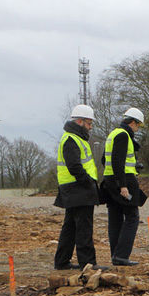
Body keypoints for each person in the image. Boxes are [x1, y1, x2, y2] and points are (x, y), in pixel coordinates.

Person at [54, 104, 100, 270]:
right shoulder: (71, 139)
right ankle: (88, 263)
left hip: (73, 189)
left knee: (70, 228)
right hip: (78, 189)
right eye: (89, 123)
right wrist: (87, 182)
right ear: (80, 121)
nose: (90, 127)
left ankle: (62, 261)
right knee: (83, 228)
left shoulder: (74, 138)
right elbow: (74, 166)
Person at [101, 107, 147, 266]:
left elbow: (104, 160)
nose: (138, 128)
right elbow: (118, 162)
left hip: (109, 180)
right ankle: (121, 255)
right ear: (133, 122)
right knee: (132, 217)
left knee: (115, 218)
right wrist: (123, 185)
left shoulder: (113, 134)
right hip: (123, 180)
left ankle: (116, 255)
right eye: (138, 125)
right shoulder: (123, 135)